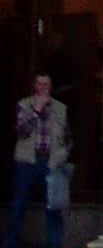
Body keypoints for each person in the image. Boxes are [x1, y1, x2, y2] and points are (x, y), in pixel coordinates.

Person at [3, 73, 68, 248]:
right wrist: (36, 111)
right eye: (40, 84)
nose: (43, 88)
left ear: (51, 87)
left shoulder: (60, 108)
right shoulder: (23, 105)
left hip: (51, 163)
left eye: (46, 84)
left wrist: (63, 155)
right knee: (18, 205)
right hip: (27, 162)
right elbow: (21, 131)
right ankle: (10, 243)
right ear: (34, 86)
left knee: (53, 207)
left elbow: (66, 137)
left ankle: (55, 244)